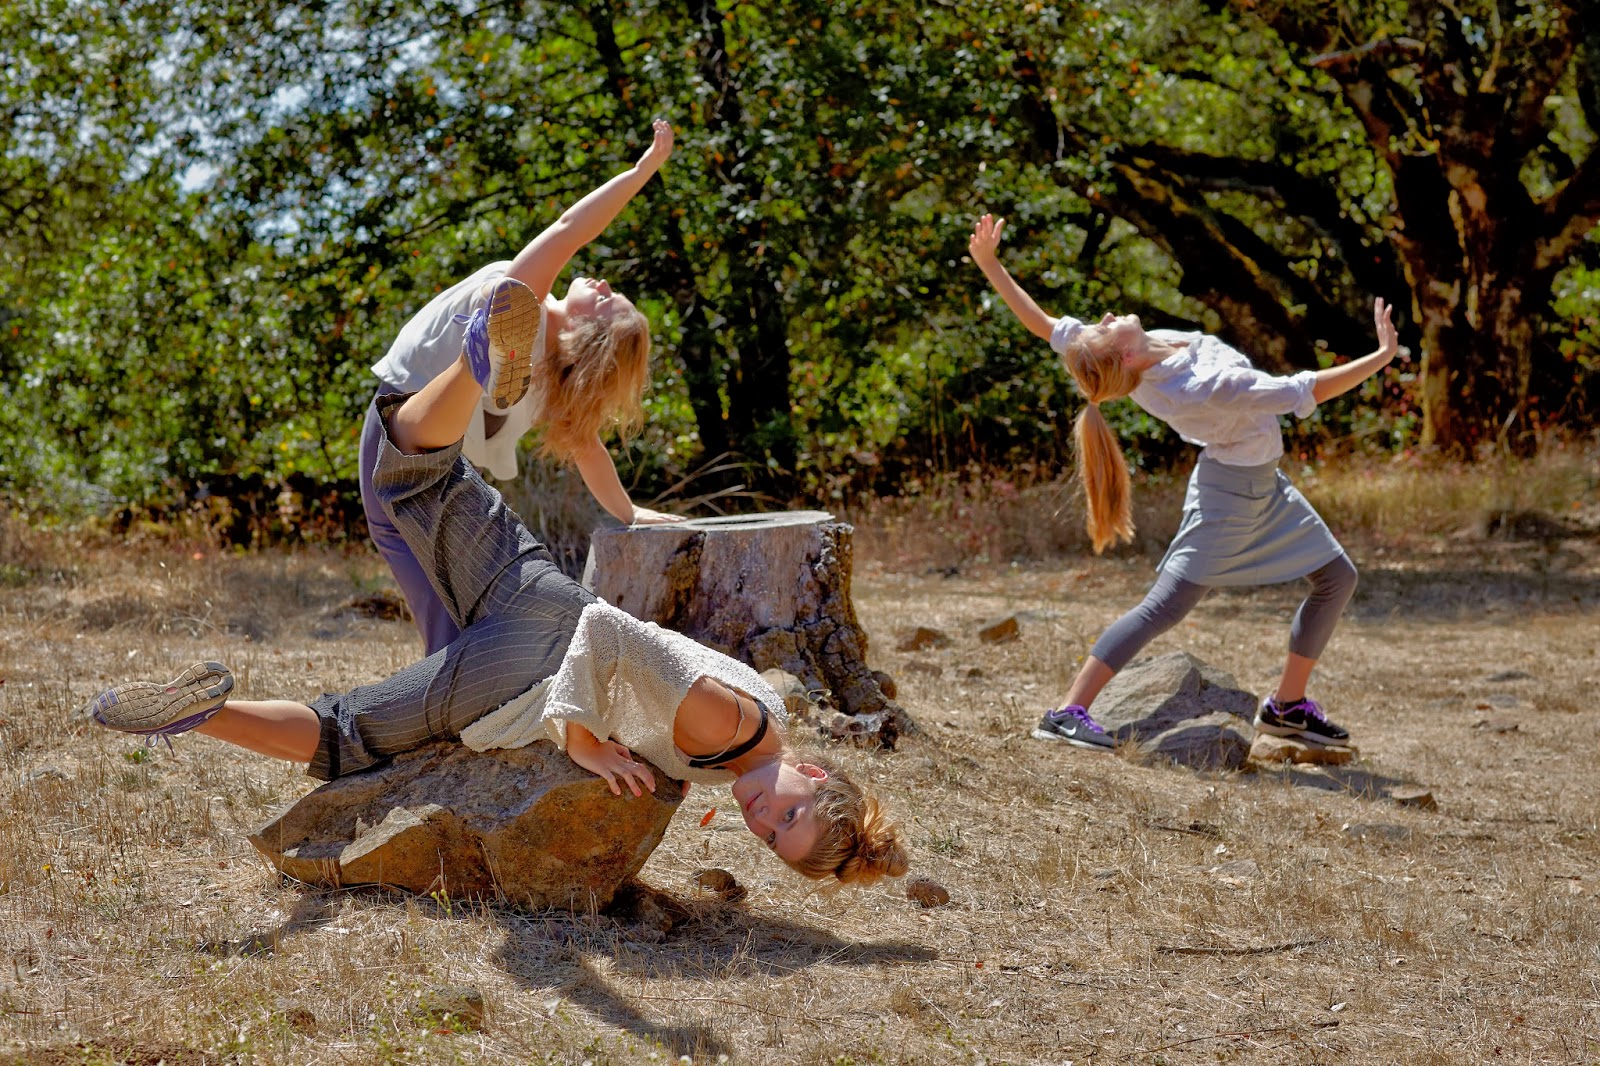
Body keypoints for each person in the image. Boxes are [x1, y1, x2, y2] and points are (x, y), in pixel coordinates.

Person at [83, 344, 909, 887]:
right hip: (533, 664)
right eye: (790, 812)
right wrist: (581, 735)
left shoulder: (751, 744)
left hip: (540, 595)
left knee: (419, 474)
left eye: (770, 836)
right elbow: (610, 635)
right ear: (820, 776)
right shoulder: (727, 727)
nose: (763, 817)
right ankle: (199, 715)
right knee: (348, 736)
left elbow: (636, 656)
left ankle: (483, 352)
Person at [969, 213, 1401, 752]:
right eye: (1104, 326)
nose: (1102, 315)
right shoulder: (1203, 387)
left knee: (1337, 577)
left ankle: (1287, 708)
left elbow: (1042, 323)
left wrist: (989, 262)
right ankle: (1066, 712)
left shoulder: (1121, 353)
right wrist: (1381, 357)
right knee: (1165, 607)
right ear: (1123, 354)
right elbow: (1302, 390)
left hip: (1264, 481)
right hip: (1229, 494)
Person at [364, 118, 686, 656]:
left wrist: (641, 170)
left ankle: (459, 694)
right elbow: (588, 446)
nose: (604, 283)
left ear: (586, 335)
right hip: (429, 452)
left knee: (432, 590)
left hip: (406, 434)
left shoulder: (530, 308)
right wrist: (628, 512)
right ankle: (466, 685)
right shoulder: (541, 358)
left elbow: (568, 228)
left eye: (607, 302)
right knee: (447, 596)